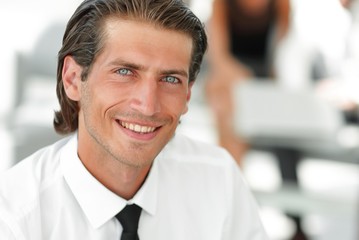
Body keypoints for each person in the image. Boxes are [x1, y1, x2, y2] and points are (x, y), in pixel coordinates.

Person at [0, 0, 268, 239]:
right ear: (72, 79)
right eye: (125, 72)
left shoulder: (218, 180)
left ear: (187, 94)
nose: (148, 106)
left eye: (171, 79)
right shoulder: (15, 220)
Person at [205, 0, 290, 165]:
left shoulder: (281, 4)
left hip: (265, 76)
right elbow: (219, 56)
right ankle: (231, 167)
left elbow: (284, 51)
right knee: (225, 96)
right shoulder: (222, 4)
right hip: (231, 74)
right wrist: (242, 79)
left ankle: (231, 169)